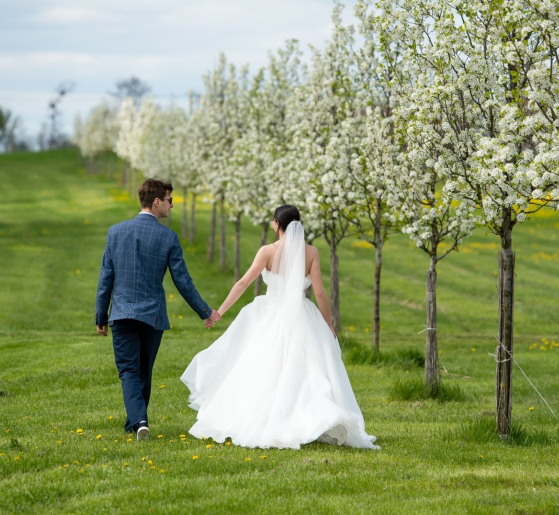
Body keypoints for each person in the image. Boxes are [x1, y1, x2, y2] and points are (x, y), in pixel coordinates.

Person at [181, 205, 378, 449]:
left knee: (260, 364)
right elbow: (320, 293)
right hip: (303, 314)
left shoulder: (267, 251)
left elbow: (243, 282)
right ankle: (308, 416)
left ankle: (262, 418)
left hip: (269, 312)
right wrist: (328, 324)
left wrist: (219, 311)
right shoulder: (311, 252)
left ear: (276, 224)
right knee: (305, 368)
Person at [95, 178, 221, 441]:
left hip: (122, 314)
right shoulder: (168, 237)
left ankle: (138, 422)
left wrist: (101, 316)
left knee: (129, 371)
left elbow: (106, 278)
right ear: (156, 202)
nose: (171, 205)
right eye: (169, 200)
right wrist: (205, 311)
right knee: (143, 370)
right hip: (152, 315)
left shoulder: (115, 232)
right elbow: (182, 281)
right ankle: (138, 422)